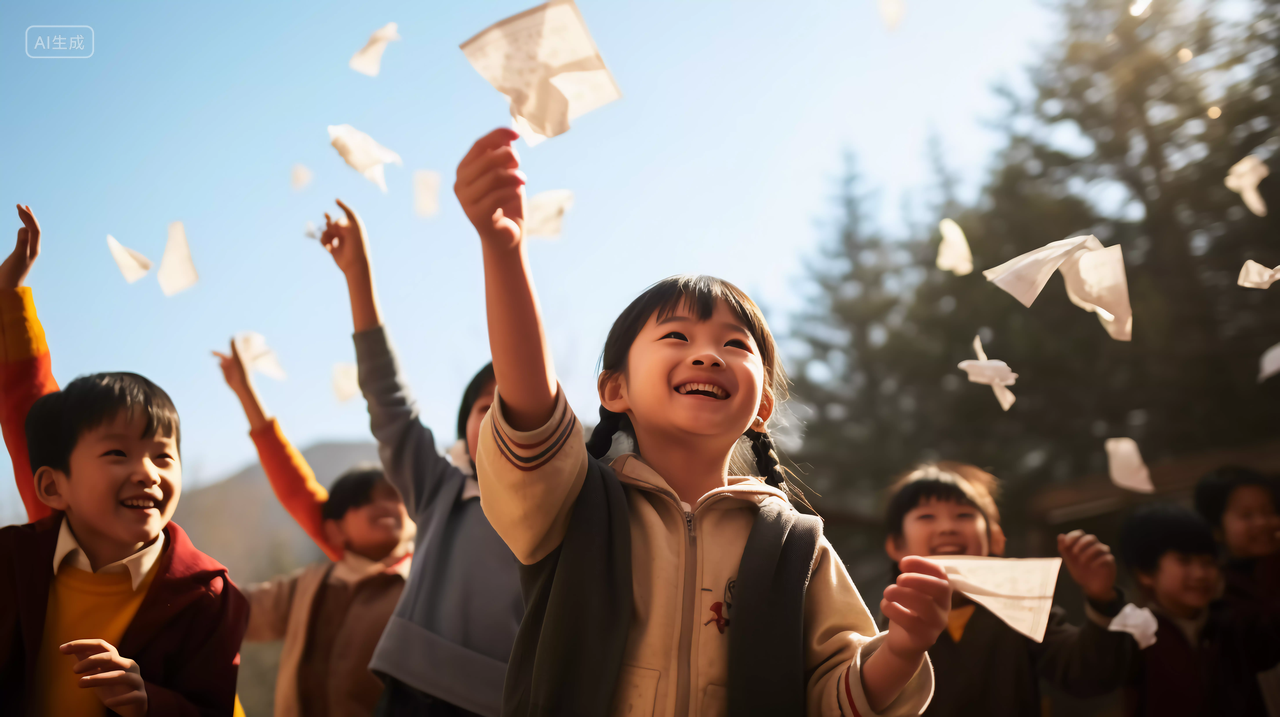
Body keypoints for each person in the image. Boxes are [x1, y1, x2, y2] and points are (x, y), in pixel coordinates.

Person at [457, 127, 950, 717]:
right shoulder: (572, 504)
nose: (708, 354)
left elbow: (832, 692)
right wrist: (505, 251)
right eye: (676, 336)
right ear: (614, 389)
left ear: (763, 405)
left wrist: (900, 649)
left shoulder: (797, 544)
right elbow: (531, 405)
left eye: (735, 344)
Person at [0, 204, 248, 715]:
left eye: (163, 455)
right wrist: (9, 299)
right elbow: (29, 404)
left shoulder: (210, 597)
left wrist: (150, 702)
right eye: (117, 452)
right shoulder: (16, 559)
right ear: (52, 487)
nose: (147, 472)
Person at [315, 199, 523, 717]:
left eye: (518, 404)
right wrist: (359, 277)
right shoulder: (441, 488)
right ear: (463, 434)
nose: (499, 415)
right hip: (411, 695)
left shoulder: (575, 502)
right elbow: (388, 400)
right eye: (484, 405)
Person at [214, 340, 414, 717]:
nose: (385, 506)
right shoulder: (310, 588)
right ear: (335, 531)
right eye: (365, 500)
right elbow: (295, 488)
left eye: (396, 497)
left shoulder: (426, 581)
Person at [881, 462, 1135, 717]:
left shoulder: (1021, 606)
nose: (947, 527)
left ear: (993, 538)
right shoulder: (887, 622)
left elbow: (1090, 675)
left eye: (964, 515)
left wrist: (1101, 598)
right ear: (896, 545)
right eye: (926, 516)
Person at [1119, 503, 1280, 716]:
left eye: (1208, 562)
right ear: (1145, 573)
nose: (1201, 574)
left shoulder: (1232, 621)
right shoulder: (1133, 635)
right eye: (1185, 561)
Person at [1193, 466, 1280, 614]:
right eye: (1247, 515)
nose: (1262, 522)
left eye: (1269, 512)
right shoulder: (1216, 590)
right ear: (1217, 529)